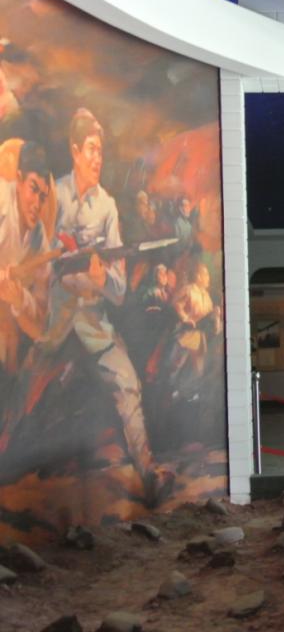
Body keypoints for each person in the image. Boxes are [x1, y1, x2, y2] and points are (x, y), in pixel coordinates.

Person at [37, 109, 173, 502]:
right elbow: (40, 260)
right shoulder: (53, 195)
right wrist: (67, 268)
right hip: (50, 321)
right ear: (75, 150)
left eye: (101, 150)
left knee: (127, 382)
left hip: (91, 323)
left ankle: (148, 472)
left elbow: (118, 290)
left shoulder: (108, 207)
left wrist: (99, 279)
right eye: (91, 149)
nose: (98, 158)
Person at [0, 140, 51, 382]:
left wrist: (19, 299)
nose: (37, 204)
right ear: (19, 180)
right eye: (33, 189)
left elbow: (40, 326)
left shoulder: (39, 238)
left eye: (43, 197)